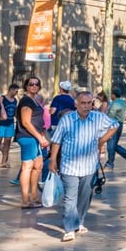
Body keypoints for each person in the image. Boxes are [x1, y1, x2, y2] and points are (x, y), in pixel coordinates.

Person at [48, 91, 118, 242]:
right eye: (83, 103)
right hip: (69, 166)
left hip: (89, 166)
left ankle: (79, 221)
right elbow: (57, 140)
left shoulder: (98, 117)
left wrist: (103, 140)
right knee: (70, 198)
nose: (86, 106)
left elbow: (114, 125)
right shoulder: (67, 119)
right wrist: (53, 159)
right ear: (76, 104)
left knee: (85, 196)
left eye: (89, 103)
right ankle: (69, 228)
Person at [15, 77, 48, 209]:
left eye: (36, 84)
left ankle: (34, 195)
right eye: (31, 84)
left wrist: (42, 137)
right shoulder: (26, 101)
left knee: (38, 166)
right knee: (27, 167)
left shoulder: (35, 101)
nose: (34, 86)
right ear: (26, 86)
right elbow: (26, 123)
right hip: (27, 137)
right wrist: (40, 138)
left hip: (36, 137)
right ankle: (25, 199)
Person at [104, 87, 126, 169]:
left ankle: (110, 162)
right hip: (119, 124)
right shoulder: (122, 102)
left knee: (111, 145)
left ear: (114, 95)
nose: (111, 96)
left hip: (113, 125)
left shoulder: (116, 103)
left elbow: (111, 115)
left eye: (111, 94)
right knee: (113, 145)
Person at [0, 84, 18, 169]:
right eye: (15, 91)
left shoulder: (15, 100)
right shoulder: (2, 98)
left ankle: (4, 162)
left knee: (7, 143)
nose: (16, 93)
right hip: (1, 123)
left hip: (10, 123)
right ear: (10, 89)